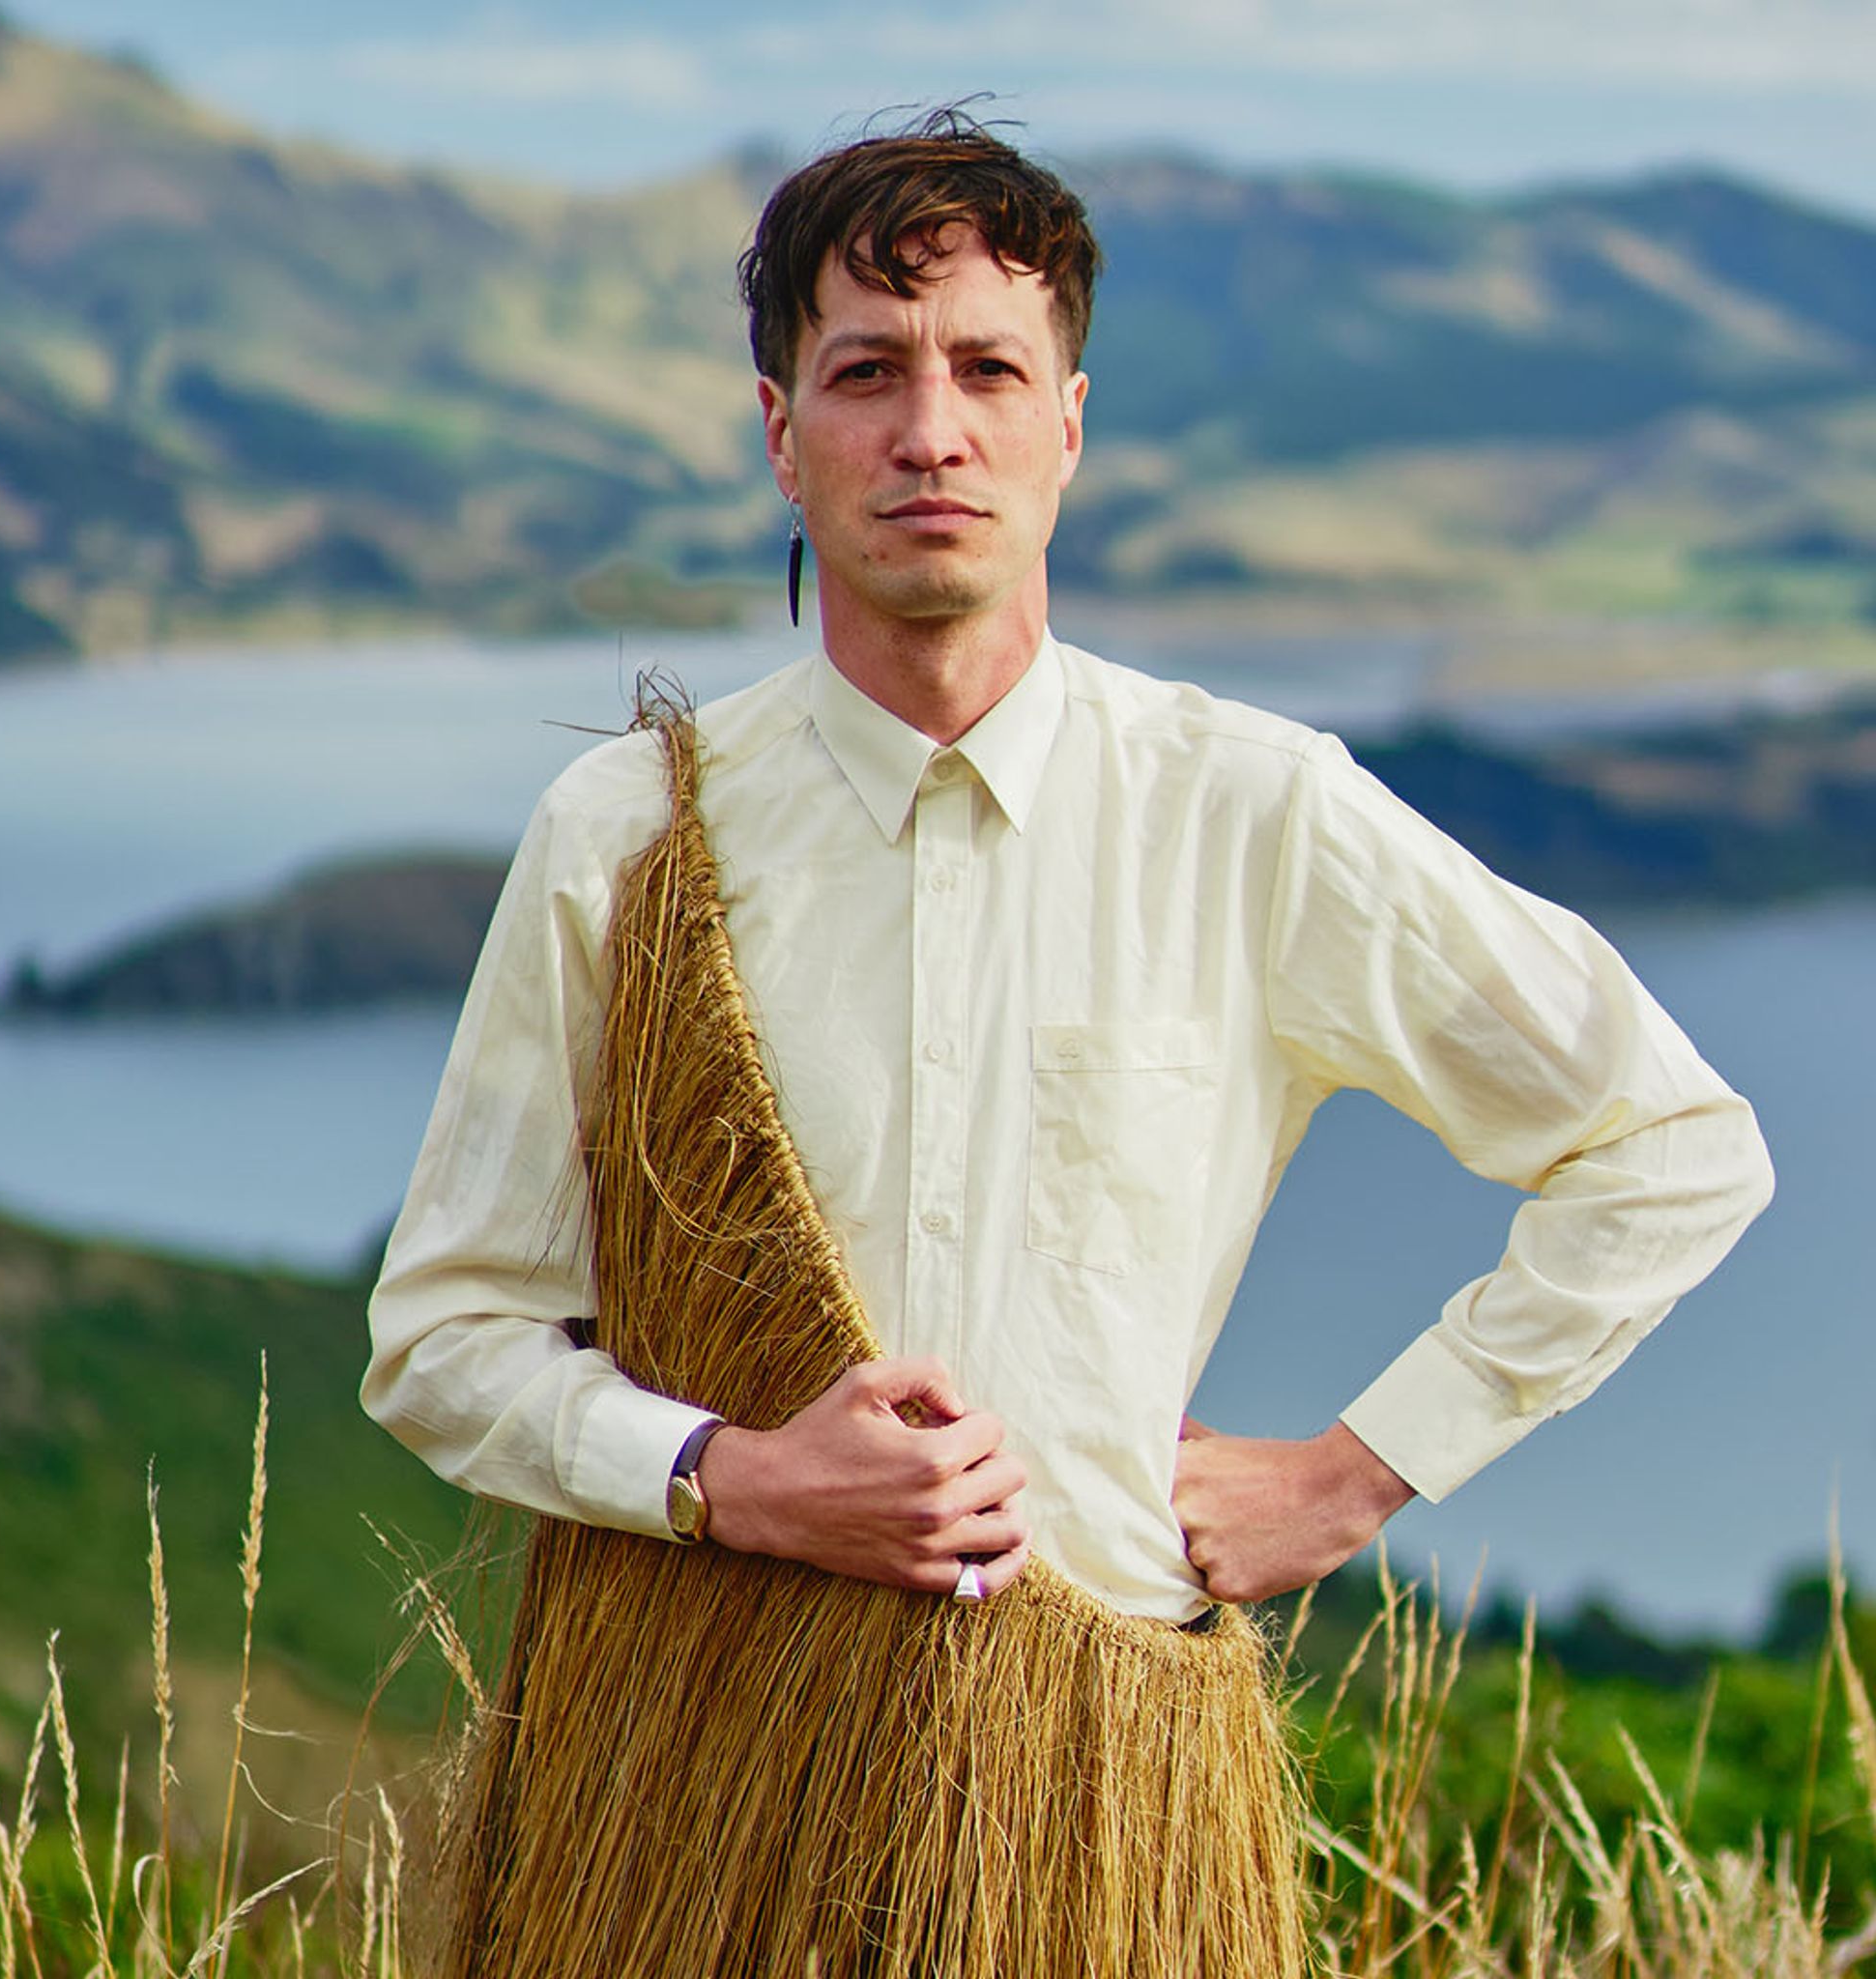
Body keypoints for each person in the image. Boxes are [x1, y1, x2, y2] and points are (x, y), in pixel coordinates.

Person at [362, 111, 1773, 1649]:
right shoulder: (624, 834)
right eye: (866, 372)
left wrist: (1354, 1475)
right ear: (780, 432)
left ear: (1070, 423)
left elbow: (1672, 1146)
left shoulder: (1251, 809)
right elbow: (446, 1337)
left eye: (987, 370)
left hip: (1114, 1766)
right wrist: (732, 1476)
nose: (931, 431)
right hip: (697, 1749)